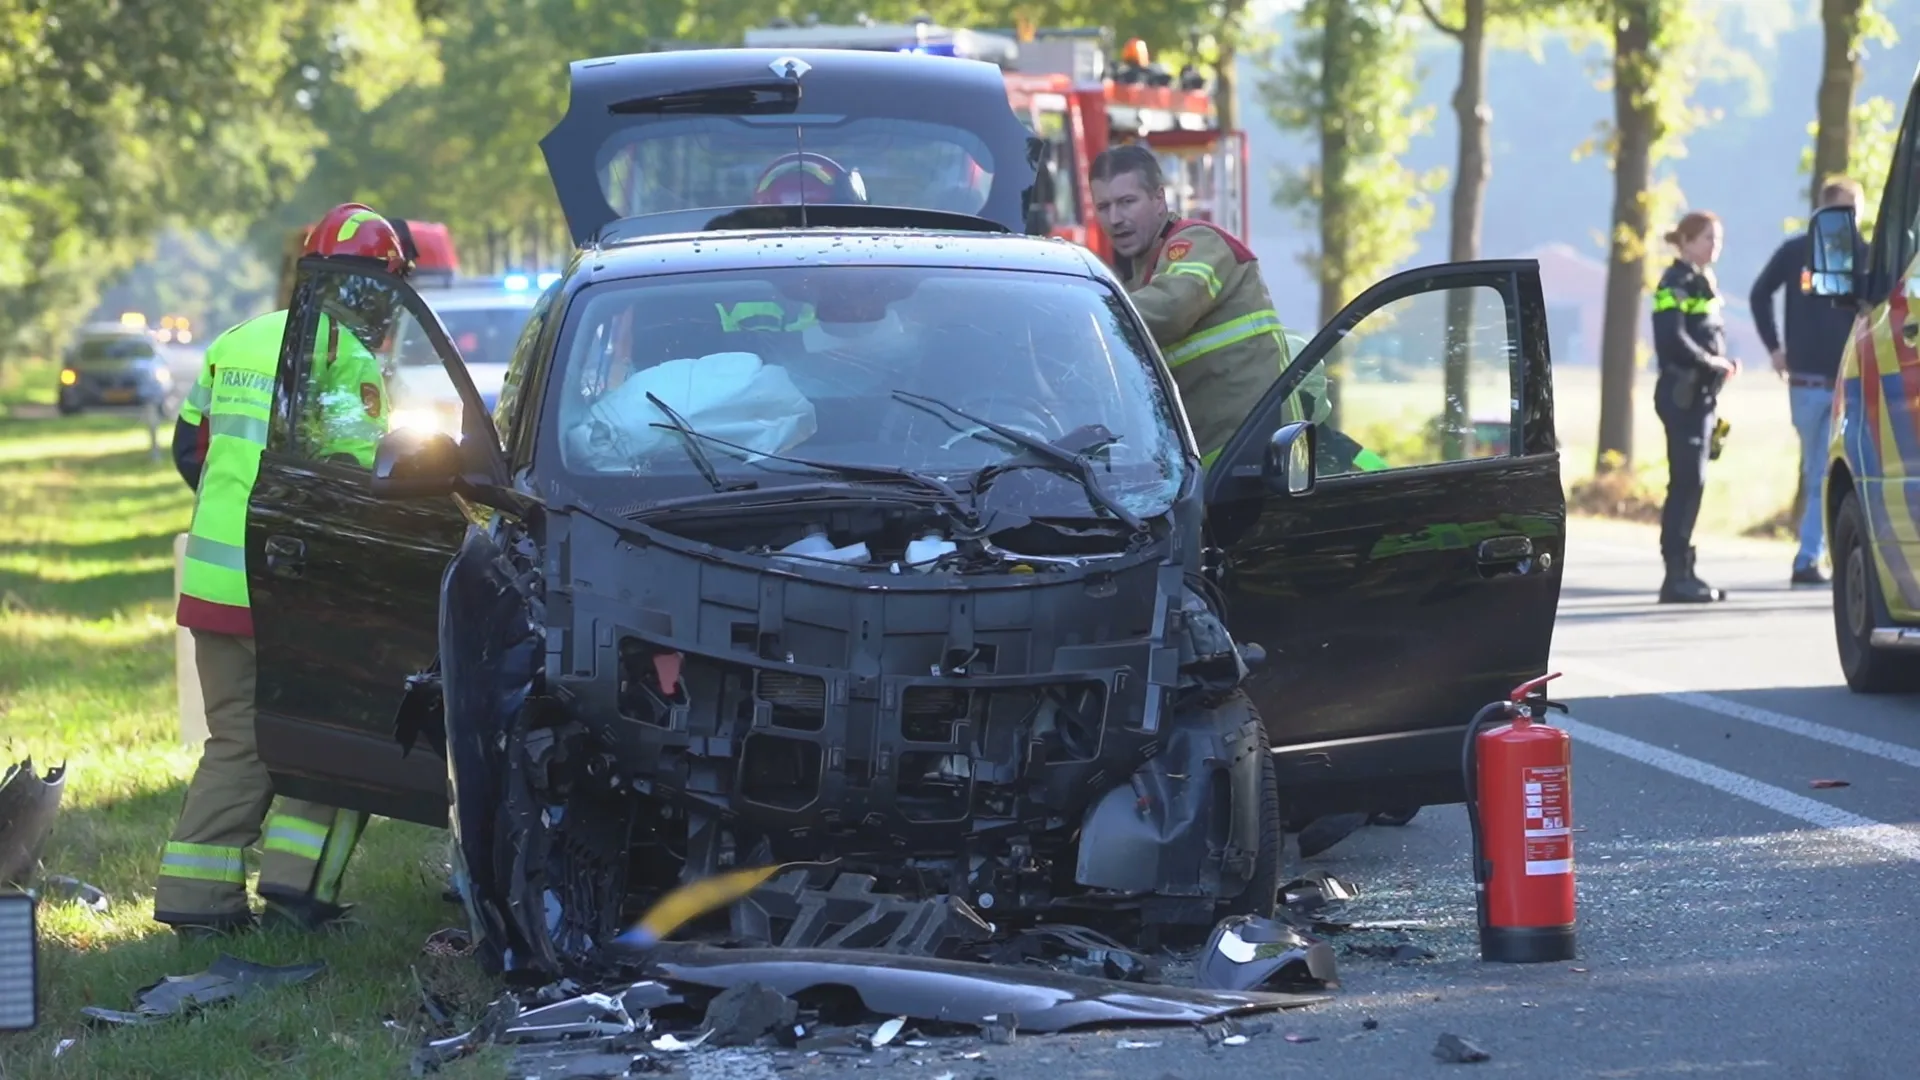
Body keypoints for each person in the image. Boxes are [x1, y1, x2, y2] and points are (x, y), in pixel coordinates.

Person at [157, 203, 413, 939]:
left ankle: (196, 901)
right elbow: (354, 482)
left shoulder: (236, 341)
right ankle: (299, 891)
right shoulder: (346, 360)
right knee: (327, 732)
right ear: (380, 289)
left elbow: (189, 452)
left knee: (235, 742)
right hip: (291, 593)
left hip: (213, 587)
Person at [1086, 143, 1322, 468]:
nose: (1115, 219)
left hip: (1259, 463)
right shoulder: (1141, 279)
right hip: (1220, 470)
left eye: (1127, 202)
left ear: (1158, 199)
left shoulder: (1197, 243)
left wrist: (1081, 316)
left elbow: (1171, 308)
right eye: (1104, 206)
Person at [1749, 176, 1869, 586]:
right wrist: (1774, 347)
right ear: (1826, 212)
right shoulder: (1795, 251)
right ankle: (1814, 556)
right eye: (1848, 209)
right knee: (1817, 467)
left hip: (1848, 381)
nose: (1855, 218)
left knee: (1824, 467)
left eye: (1858, 210)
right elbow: (1759, 293)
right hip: (1806, 383)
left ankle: (1814, 554)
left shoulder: (1865, 256)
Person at [1652, 210, 1740, 605]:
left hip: (1702, 399)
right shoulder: (1674, 283)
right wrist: (1711, 362)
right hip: (1681, 396)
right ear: (1685, 241)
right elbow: (1671, 340)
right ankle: (1675, 574)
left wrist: (1722, 365)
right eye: (1707, 238)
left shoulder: (1704, 283)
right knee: (1685, 483)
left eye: (1717, 239)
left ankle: (1686, 571)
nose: (1713, 246)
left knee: (1695, 483)